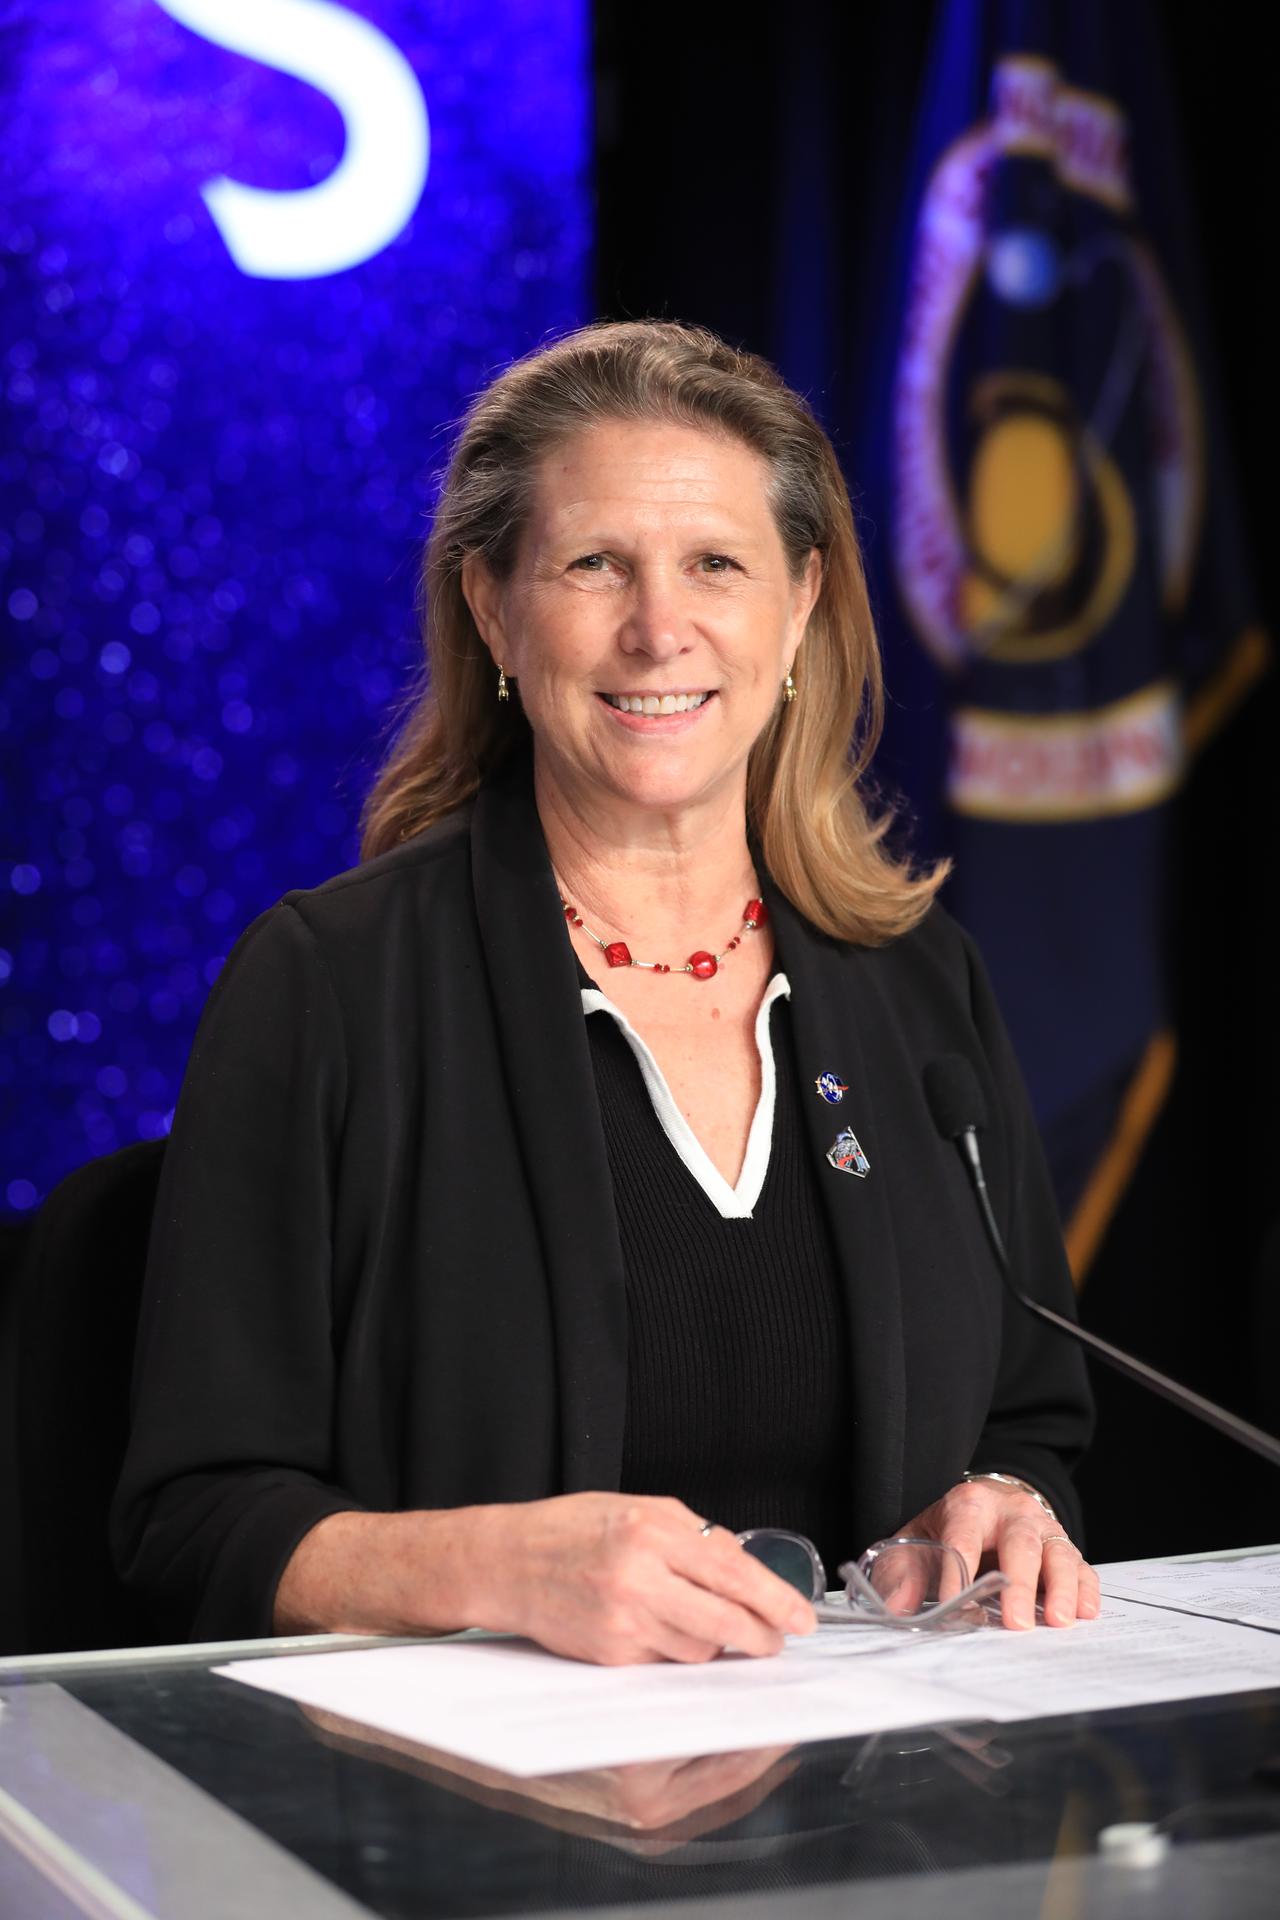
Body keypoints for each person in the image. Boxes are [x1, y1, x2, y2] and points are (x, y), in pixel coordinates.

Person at [112, 320, 1098, 1663]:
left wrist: (1009, 1499)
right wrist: (497, 1566)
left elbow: (1032, 1416)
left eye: (715, 565)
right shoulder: (332, 986)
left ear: (800, 604)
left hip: (882, 1776)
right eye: (593, 565)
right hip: (466, 1786)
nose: (658, 630)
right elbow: (190, 1522)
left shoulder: (922, 986)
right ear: (492, 608)